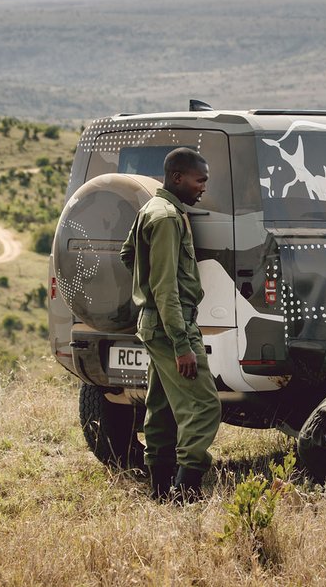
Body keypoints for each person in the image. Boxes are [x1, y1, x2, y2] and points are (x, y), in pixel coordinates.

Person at [119, 147, 221, 502]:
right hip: (170, 327)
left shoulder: (154, 209)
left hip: (156, 324)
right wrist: (182, 345)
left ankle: (160, 490)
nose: (203, 188)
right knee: (205, 406)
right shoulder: (165, 218)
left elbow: (127, 254)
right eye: (200, 180)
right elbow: (165, 288)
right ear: (178, 178)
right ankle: (186, 490)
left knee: (161, 408)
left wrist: (142, 283)